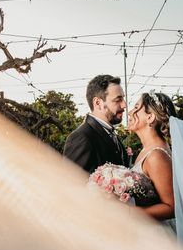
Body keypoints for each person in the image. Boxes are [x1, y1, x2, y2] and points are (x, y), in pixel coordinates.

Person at [63, 74, 129, 173]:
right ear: (98, 103)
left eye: (123, 99)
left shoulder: (112, 134)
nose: (124, 105)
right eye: (118, 100)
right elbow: (70, 185)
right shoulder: (81, 138)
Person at [127, 92, 177, 221]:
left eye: (136, 107)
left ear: (150, 117)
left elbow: (171, 207)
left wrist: (128, 212)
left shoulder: (156, 156)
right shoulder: (147, 150)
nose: (130, 112)